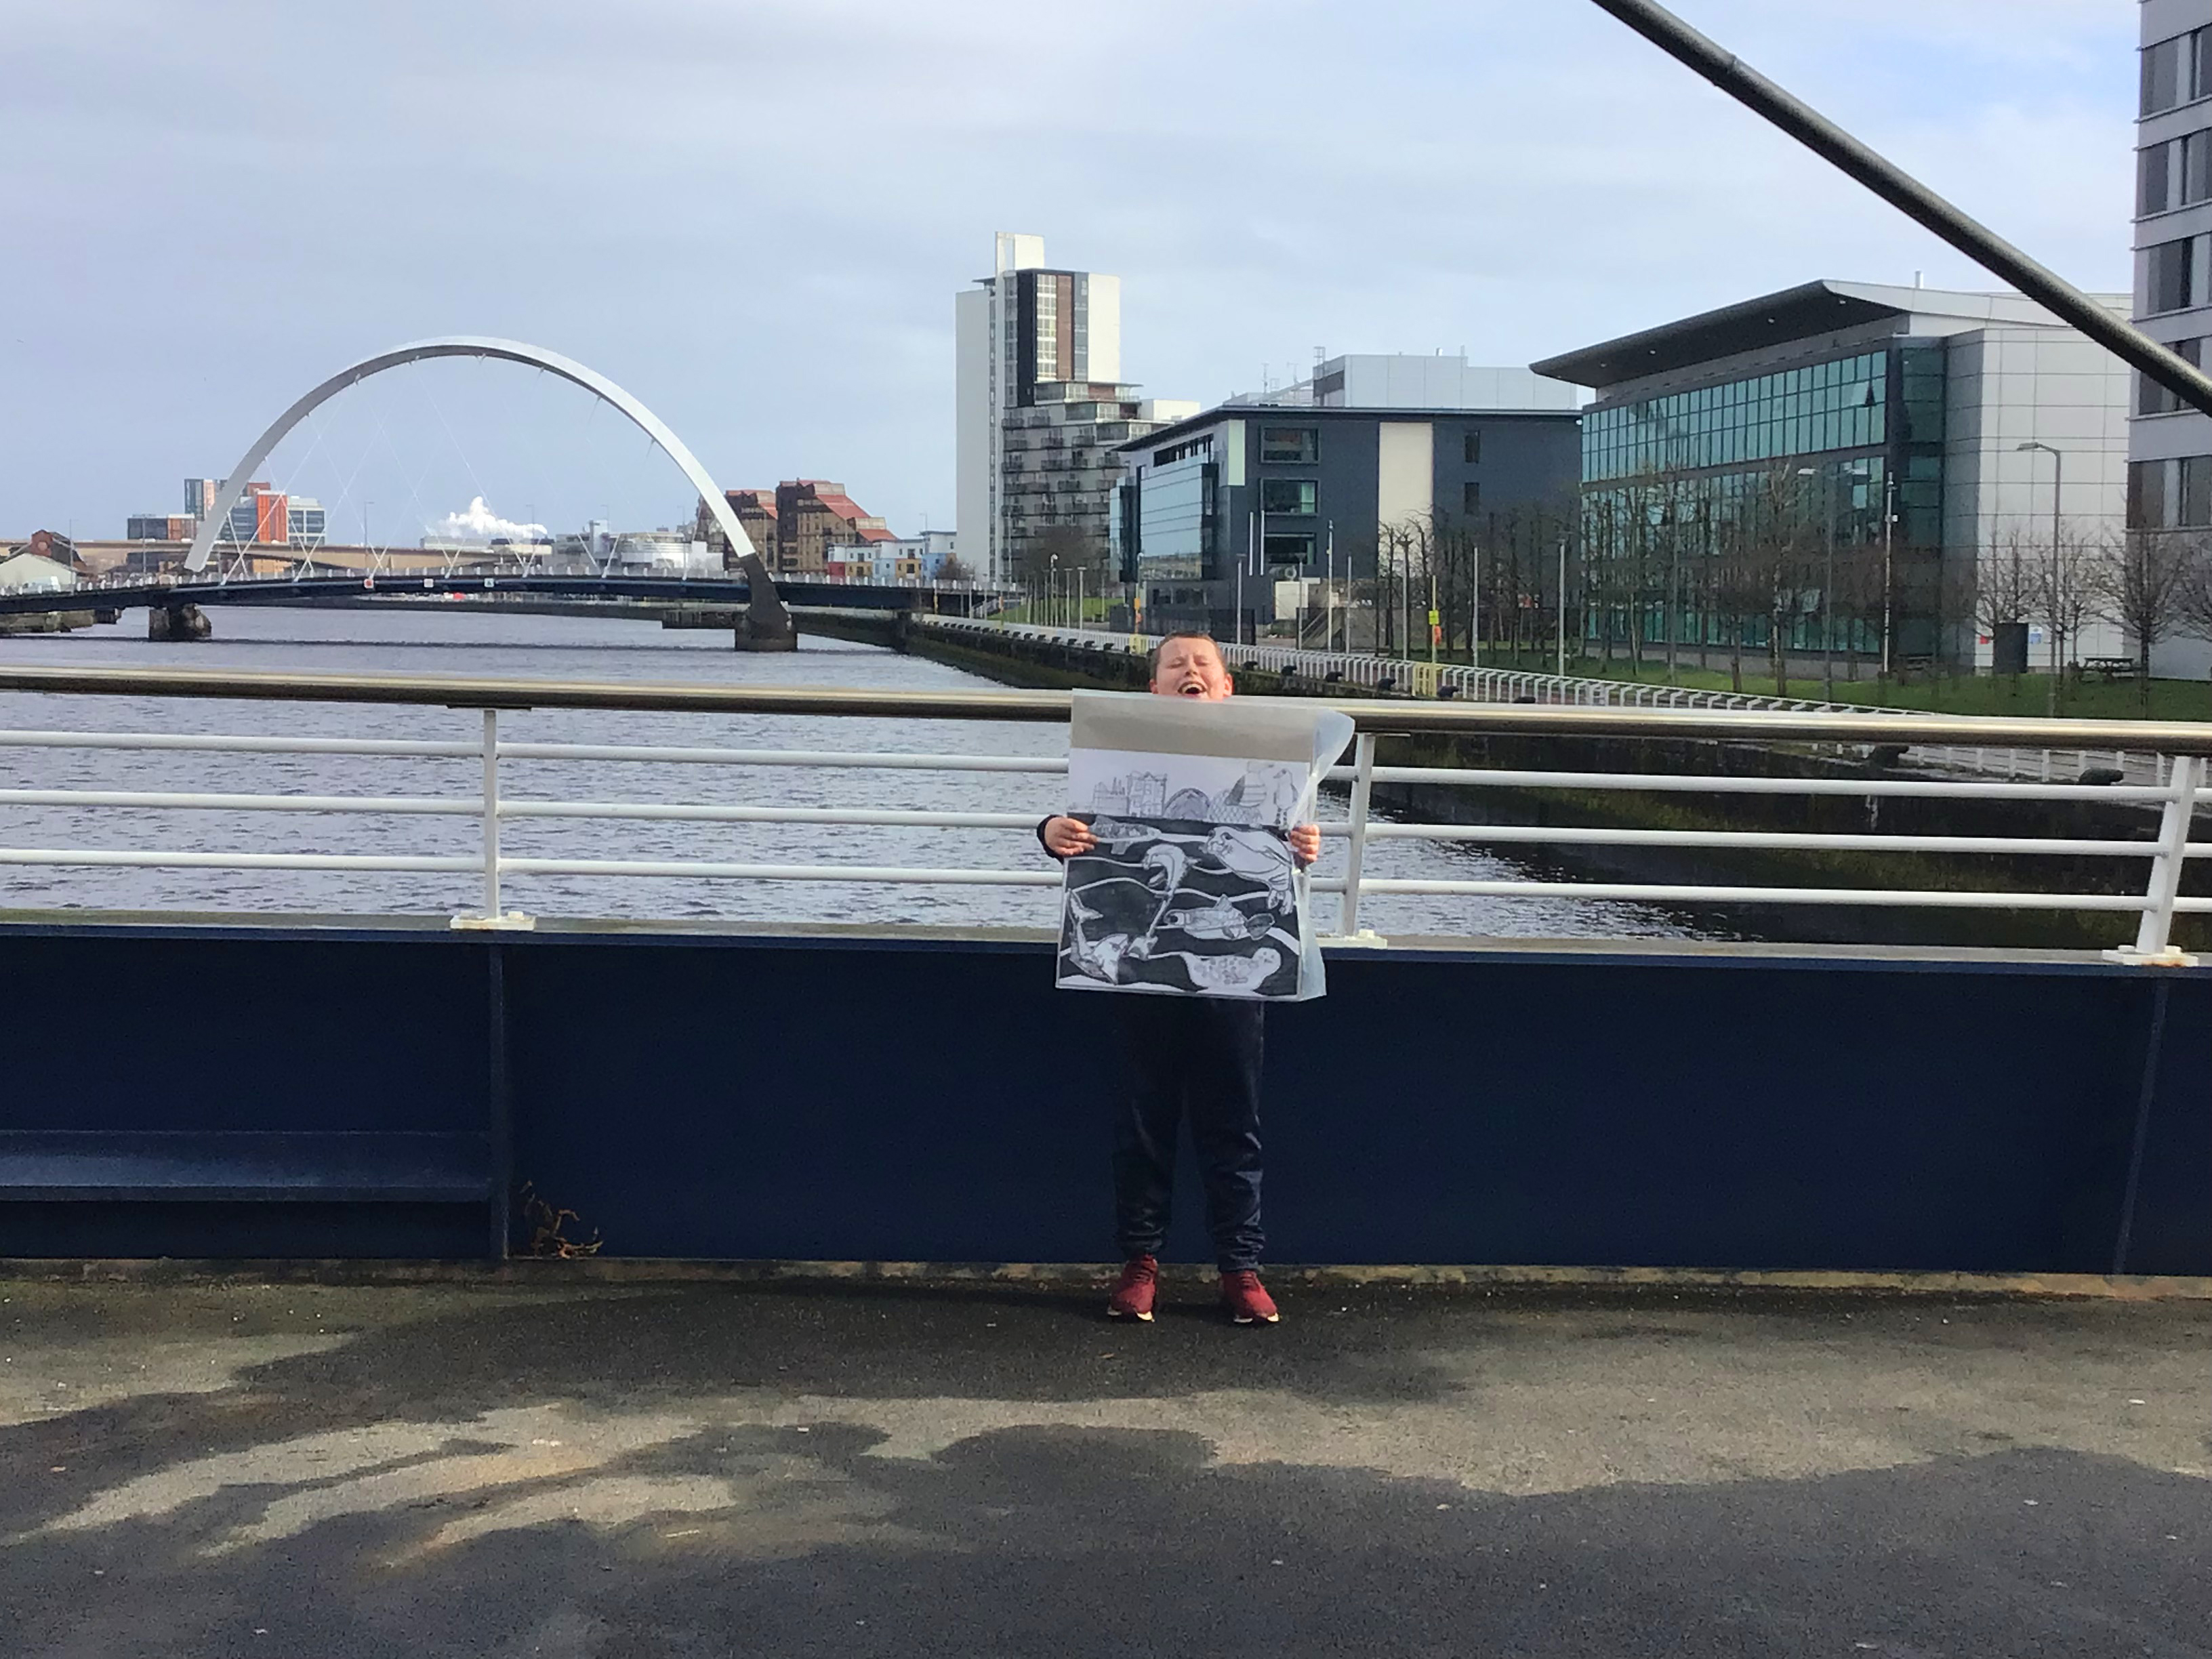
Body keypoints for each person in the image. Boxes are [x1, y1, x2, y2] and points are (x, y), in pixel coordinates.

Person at [1039, 632, 1321, 1326]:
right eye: (1176, 666)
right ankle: (1140, 1265)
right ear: (1154, 692)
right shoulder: (1121, 758)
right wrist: (1051, 831)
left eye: (1204, 666)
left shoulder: (1270, 764)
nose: (1191, 673)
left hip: (1236, 973)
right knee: (1143, 1121)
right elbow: (1089, 836)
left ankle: (1241, 1268)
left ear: (1228, 689)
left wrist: (1304, 848)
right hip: (1144, 968)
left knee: (1236, 1122)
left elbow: (1282, 863)